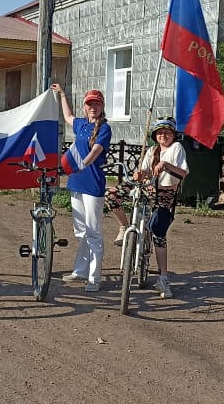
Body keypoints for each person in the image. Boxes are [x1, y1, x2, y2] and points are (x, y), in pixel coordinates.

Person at [108, 117, 188, 299]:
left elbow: (182, 173)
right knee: (111, 195)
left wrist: (165, 165)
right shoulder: (151, 150)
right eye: (160, 132)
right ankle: (124, 227)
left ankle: (163, 278)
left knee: (158, 233)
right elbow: (144, 172)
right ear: (154, 135)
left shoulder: (177, 148)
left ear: (173, 135)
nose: (163, 135)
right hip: (146, 189)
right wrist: (140, 174)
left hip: (165, 195)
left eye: (167, 132)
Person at [50, 84, 112, 293]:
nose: (93, 107)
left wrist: (81, 165)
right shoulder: (82, 125)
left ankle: (95, 277)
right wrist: (62, 95)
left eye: (97, 104)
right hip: (76, 182)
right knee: (80, 231)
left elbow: (96, 152)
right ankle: (81, 270)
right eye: (89, 104)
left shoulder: (104, 128)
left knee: (93, 232)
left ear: (102, 107)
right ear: (85, 107)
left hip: (92, 184)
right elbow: (68, 117)